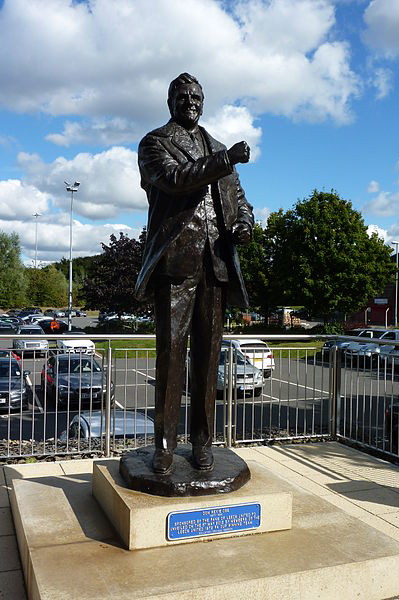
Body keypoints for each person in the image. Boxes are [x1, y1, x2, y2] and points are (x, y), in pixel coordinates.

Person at [135, 73, 254, 474]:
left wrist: (244, 225)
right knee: (171, 359)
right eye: (183, 95)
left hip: (215, 264)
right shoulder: (155, 143)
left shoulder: (217, 146)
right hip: (177, 263)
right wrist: (226, 161)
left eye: (197, 96)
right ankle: (165, 446)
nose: (191, 101)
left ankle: (203, 443)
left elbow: (239, 199)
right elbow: (173, 180)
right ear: (171, 101)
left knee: (207, 361)